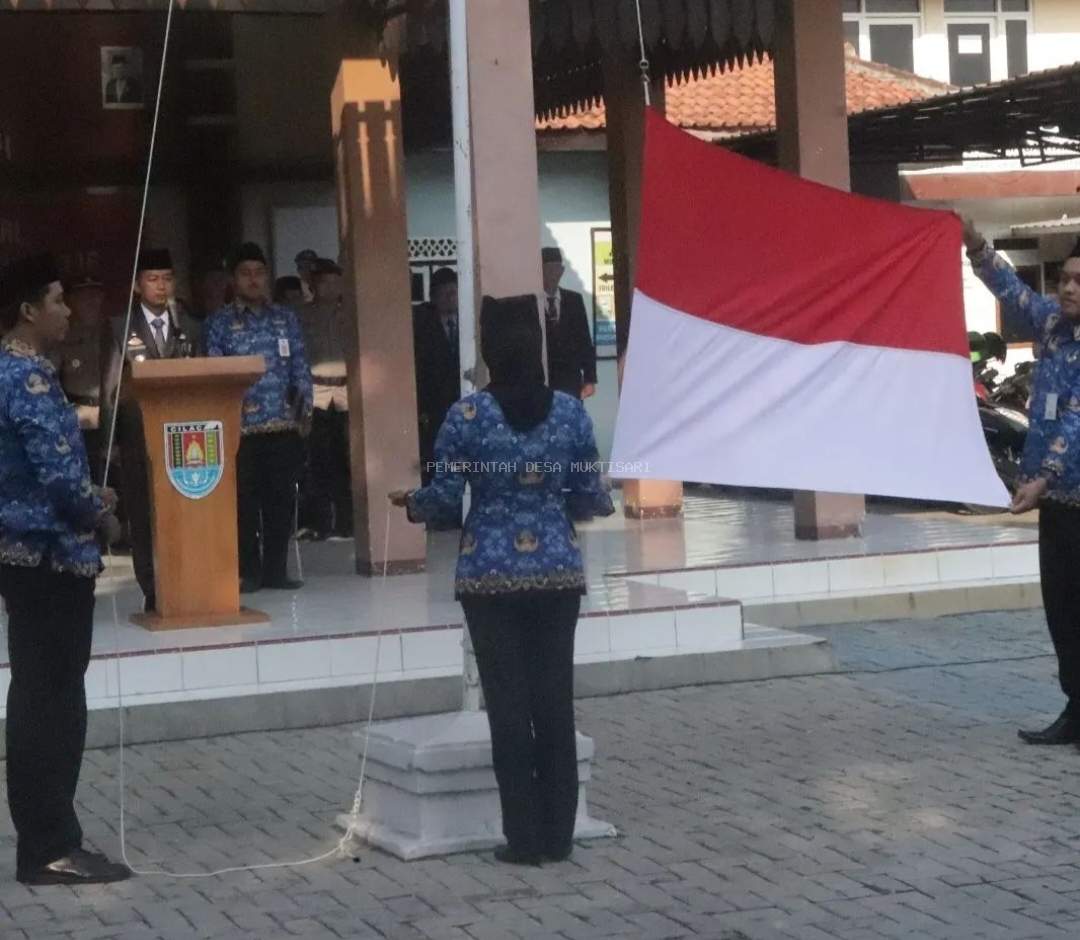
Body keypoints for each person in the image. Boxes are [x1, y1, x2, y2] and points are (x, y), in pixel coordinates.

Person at [390, 295, 614, 865]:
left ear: (489, 348)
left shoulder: (466, 417)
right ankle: (559, 836)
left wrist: (410, 505)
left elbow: (442, 500)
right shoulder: (569, 413)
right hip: (557, 574)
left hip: (489, 575)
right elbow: (592, 495)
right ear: (536, 344)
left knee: (508, 709)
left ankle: (523, 838)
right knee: (554, 703)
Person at [0, 253, 128, 885]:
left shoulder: (22, 372)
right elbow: (57, 479)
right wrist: (98, 505)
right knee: (51, 704)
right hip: (48, 558)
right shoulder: (24, 379)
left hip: (34, 560)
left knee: (40, 696)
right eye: (57, 299)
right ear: (28, 311)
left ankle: (48, 839)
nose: (68, 310)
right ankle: (50, 844)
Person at [963, 221, 1080, 745]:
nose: (1069, 288)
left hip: (1068, 492)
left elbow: (1078, 422)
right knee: (1062, 609)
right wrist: (975, 244)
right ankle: (1076, 709)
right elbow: (1010, 288)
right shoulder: (1053, 323)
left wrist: (1043, 478)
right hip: (1054, 502)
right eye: (1066, 279)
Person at [205, 242, 313, 593]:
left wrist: (304, 412)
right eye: (245, 274)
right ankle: (249, 572)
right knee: (245, 505)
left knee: (281, 502)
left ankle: (276, 571)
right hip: (241, 429)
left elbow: (299, 367)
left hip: (282, 425)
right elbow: (214, 375)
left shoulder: (285, 318)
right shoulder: (219, 323)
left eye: (259, 273)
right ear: (233, 280)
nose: (253, 280)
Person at [101, 248, 198, 614]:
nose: (161, 286)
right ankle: (151, 587)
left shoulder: (188, 324)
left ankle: (186, 579)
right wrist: (108, 443)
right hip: (137, 434)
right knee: (142, 515)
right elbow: (110, 389)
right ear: (137, 286)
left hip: (183, 436)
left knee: (182, 511)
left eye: (168, 278)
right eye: (153, 279)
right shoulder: (119, 327)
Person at [297, 258, 352, 540]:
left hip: (345, 391)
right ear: (314, 285)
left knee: (347, 458)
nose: (331, 287)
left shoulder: (350, 313)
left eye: (335, 281)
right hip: (317, 391)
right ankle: (321, 523)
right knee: (318, 459)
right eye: (325, 282)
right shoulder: (302, 316)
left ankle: (346, 523)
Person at [52, 274, 107, 471]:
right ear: (72, 301)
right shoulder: (61, 340)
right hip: (80, 423)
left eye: (96, 295)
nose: (91, 302)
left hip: (114, 418)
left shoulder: (115, 331)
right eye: (84, 297)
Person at [413, 267, 460, 488]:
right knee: (435, 456)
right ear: (434, 297)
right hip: (434, 406)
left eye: (454, 293)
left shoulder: (468, 324)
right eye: (445, 294)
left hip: (462, 401)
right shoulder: (422, 326)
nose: (451, 299)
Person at [541, 247, 597, 400]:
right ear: (540, 271)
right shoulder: (534, 302)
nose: (552, 274)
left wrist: (590, 379)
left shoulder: (574, 300)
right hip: (543, 382)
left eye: (556, 269)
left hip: (571, 381)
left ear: (562, 271)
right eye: (547, 269)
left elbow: (585, 339)